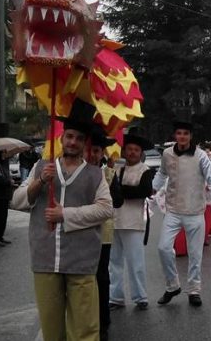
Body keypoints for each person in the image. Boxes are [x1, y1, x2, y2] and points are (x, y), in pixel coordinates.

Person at [10, 99, 114, 341]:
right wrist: (39, 182)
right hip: (46, 260)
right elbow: (16, 201)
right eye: (69, 136)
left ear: (84, 142)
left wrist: (65, 214)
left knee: (85, 330)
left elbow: (105, 209)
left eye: (78, 138)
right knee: (52, 329)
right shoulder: (41, 167)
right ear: (62, 138)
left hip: (82, 262)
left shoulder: (95, 175)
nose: (73, 142)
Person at [152, 120, 211, 307]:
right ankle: (172, 285)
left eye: (185, 133)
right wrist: (151, 189)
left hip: (195, 211)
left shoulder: (200, 156)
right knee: (164, 248)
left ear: (190, 136)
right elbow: (161, 174)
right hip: (173, 210)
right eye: (179, 133)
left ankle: (194, 290)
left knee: (195, 254)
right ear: (175, 136)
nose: (182, 136)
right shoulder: (167, 154)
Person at [109, 133, 155, 311]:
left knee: (136, 262)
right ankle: (116, 297)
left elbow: (143, 191)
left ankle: (140, 296)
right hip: (114, 220)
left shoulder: (145, 171)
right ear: (124, 151)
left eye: (136, 150)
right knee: (114, 262)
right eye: (130, 149)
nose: (133, 152)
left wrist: (119, 190)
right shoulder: (117, 170)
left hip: (133, 222)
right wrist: (121, 190)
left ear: (141, 153)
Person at [85, 127, 117, 341]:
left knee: (101, 276)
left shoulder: (108, 173)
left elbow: (118, 201)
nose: (93, 155)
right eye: (90, 150)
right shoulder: (74, 170)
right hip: (80, 233)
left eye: (97, 151)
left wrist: (109, 181)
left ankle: (103, 322)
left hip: (103, 233)